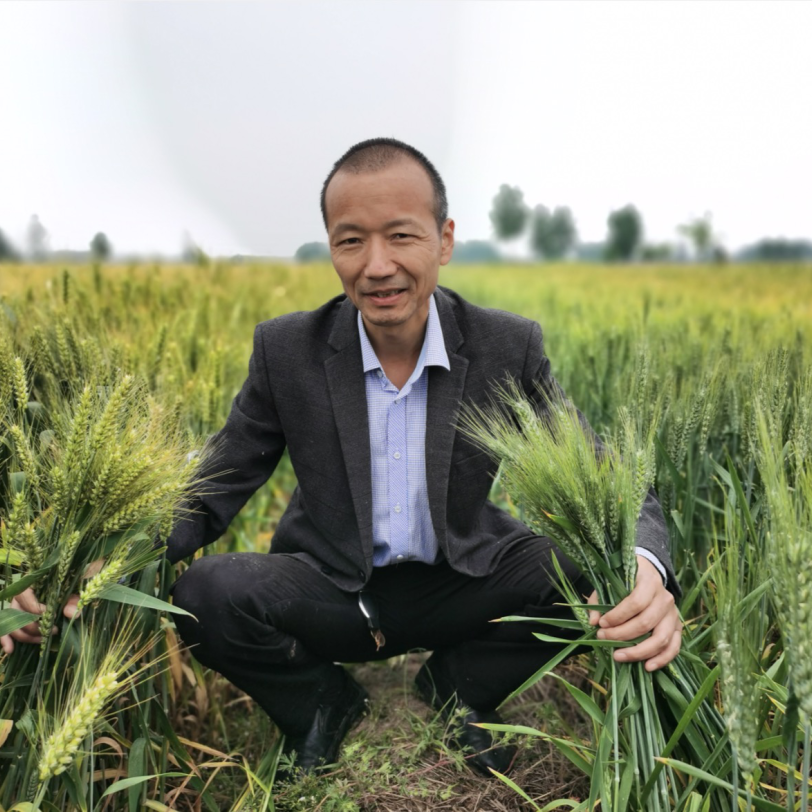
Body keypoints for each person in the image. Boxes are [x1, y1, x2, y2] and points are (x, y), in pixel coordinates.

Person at [1, 138, 682, 780]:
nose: (376, 264)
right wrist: (87, 562)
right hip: (334, 591)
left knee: (587, 560)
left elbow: (603, 478)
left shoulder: (507, 345)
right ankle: (321, 704)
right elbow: (211, 487)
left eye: (401, 235)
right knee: (205, 594)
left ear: (444, 240)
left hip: (463, 581)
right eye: (351, 240)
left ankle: (461, 685)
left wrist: (644, 567)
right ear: (331, 247)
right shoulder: (286, 352)